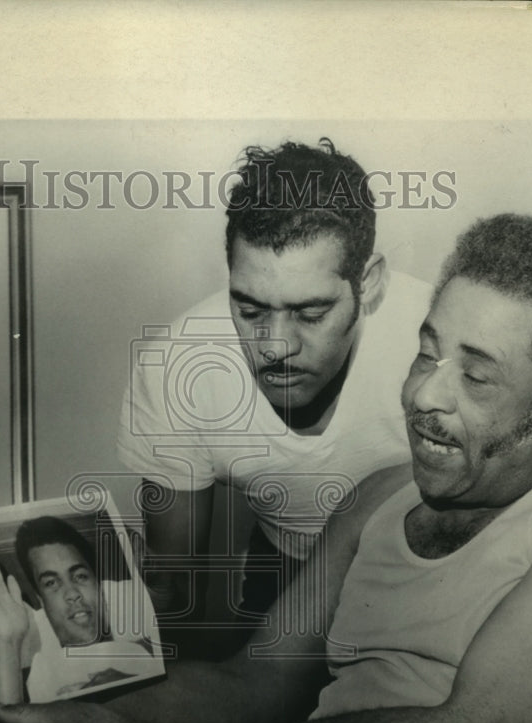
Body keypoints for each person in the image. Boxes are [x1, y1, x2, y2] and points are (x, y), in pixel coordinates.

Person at [0, 214, 532, 723]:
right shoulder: (380, 495)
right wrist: (60, 711)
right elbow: (253, 685)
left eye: (476, 376)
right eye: (426, 352)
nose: (422, 395)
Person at [118, 138, 433, 655]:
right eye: (251, 309)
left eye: (311, 314)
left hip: (426, 573)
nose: (276, 347)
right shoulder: (178, 365)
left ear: (369, 282)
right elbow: (174, 592)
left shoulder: (437, 341)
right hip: (282, 571)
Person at [0, 516, 156, 705]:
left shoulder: (140, 650)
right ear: (42, 600)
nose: (72, 593)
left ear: (99, 587)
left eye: (80, 576)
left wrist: (129, 684)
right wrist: (6, 640)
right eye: (51, 583)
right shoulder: (42, 673)